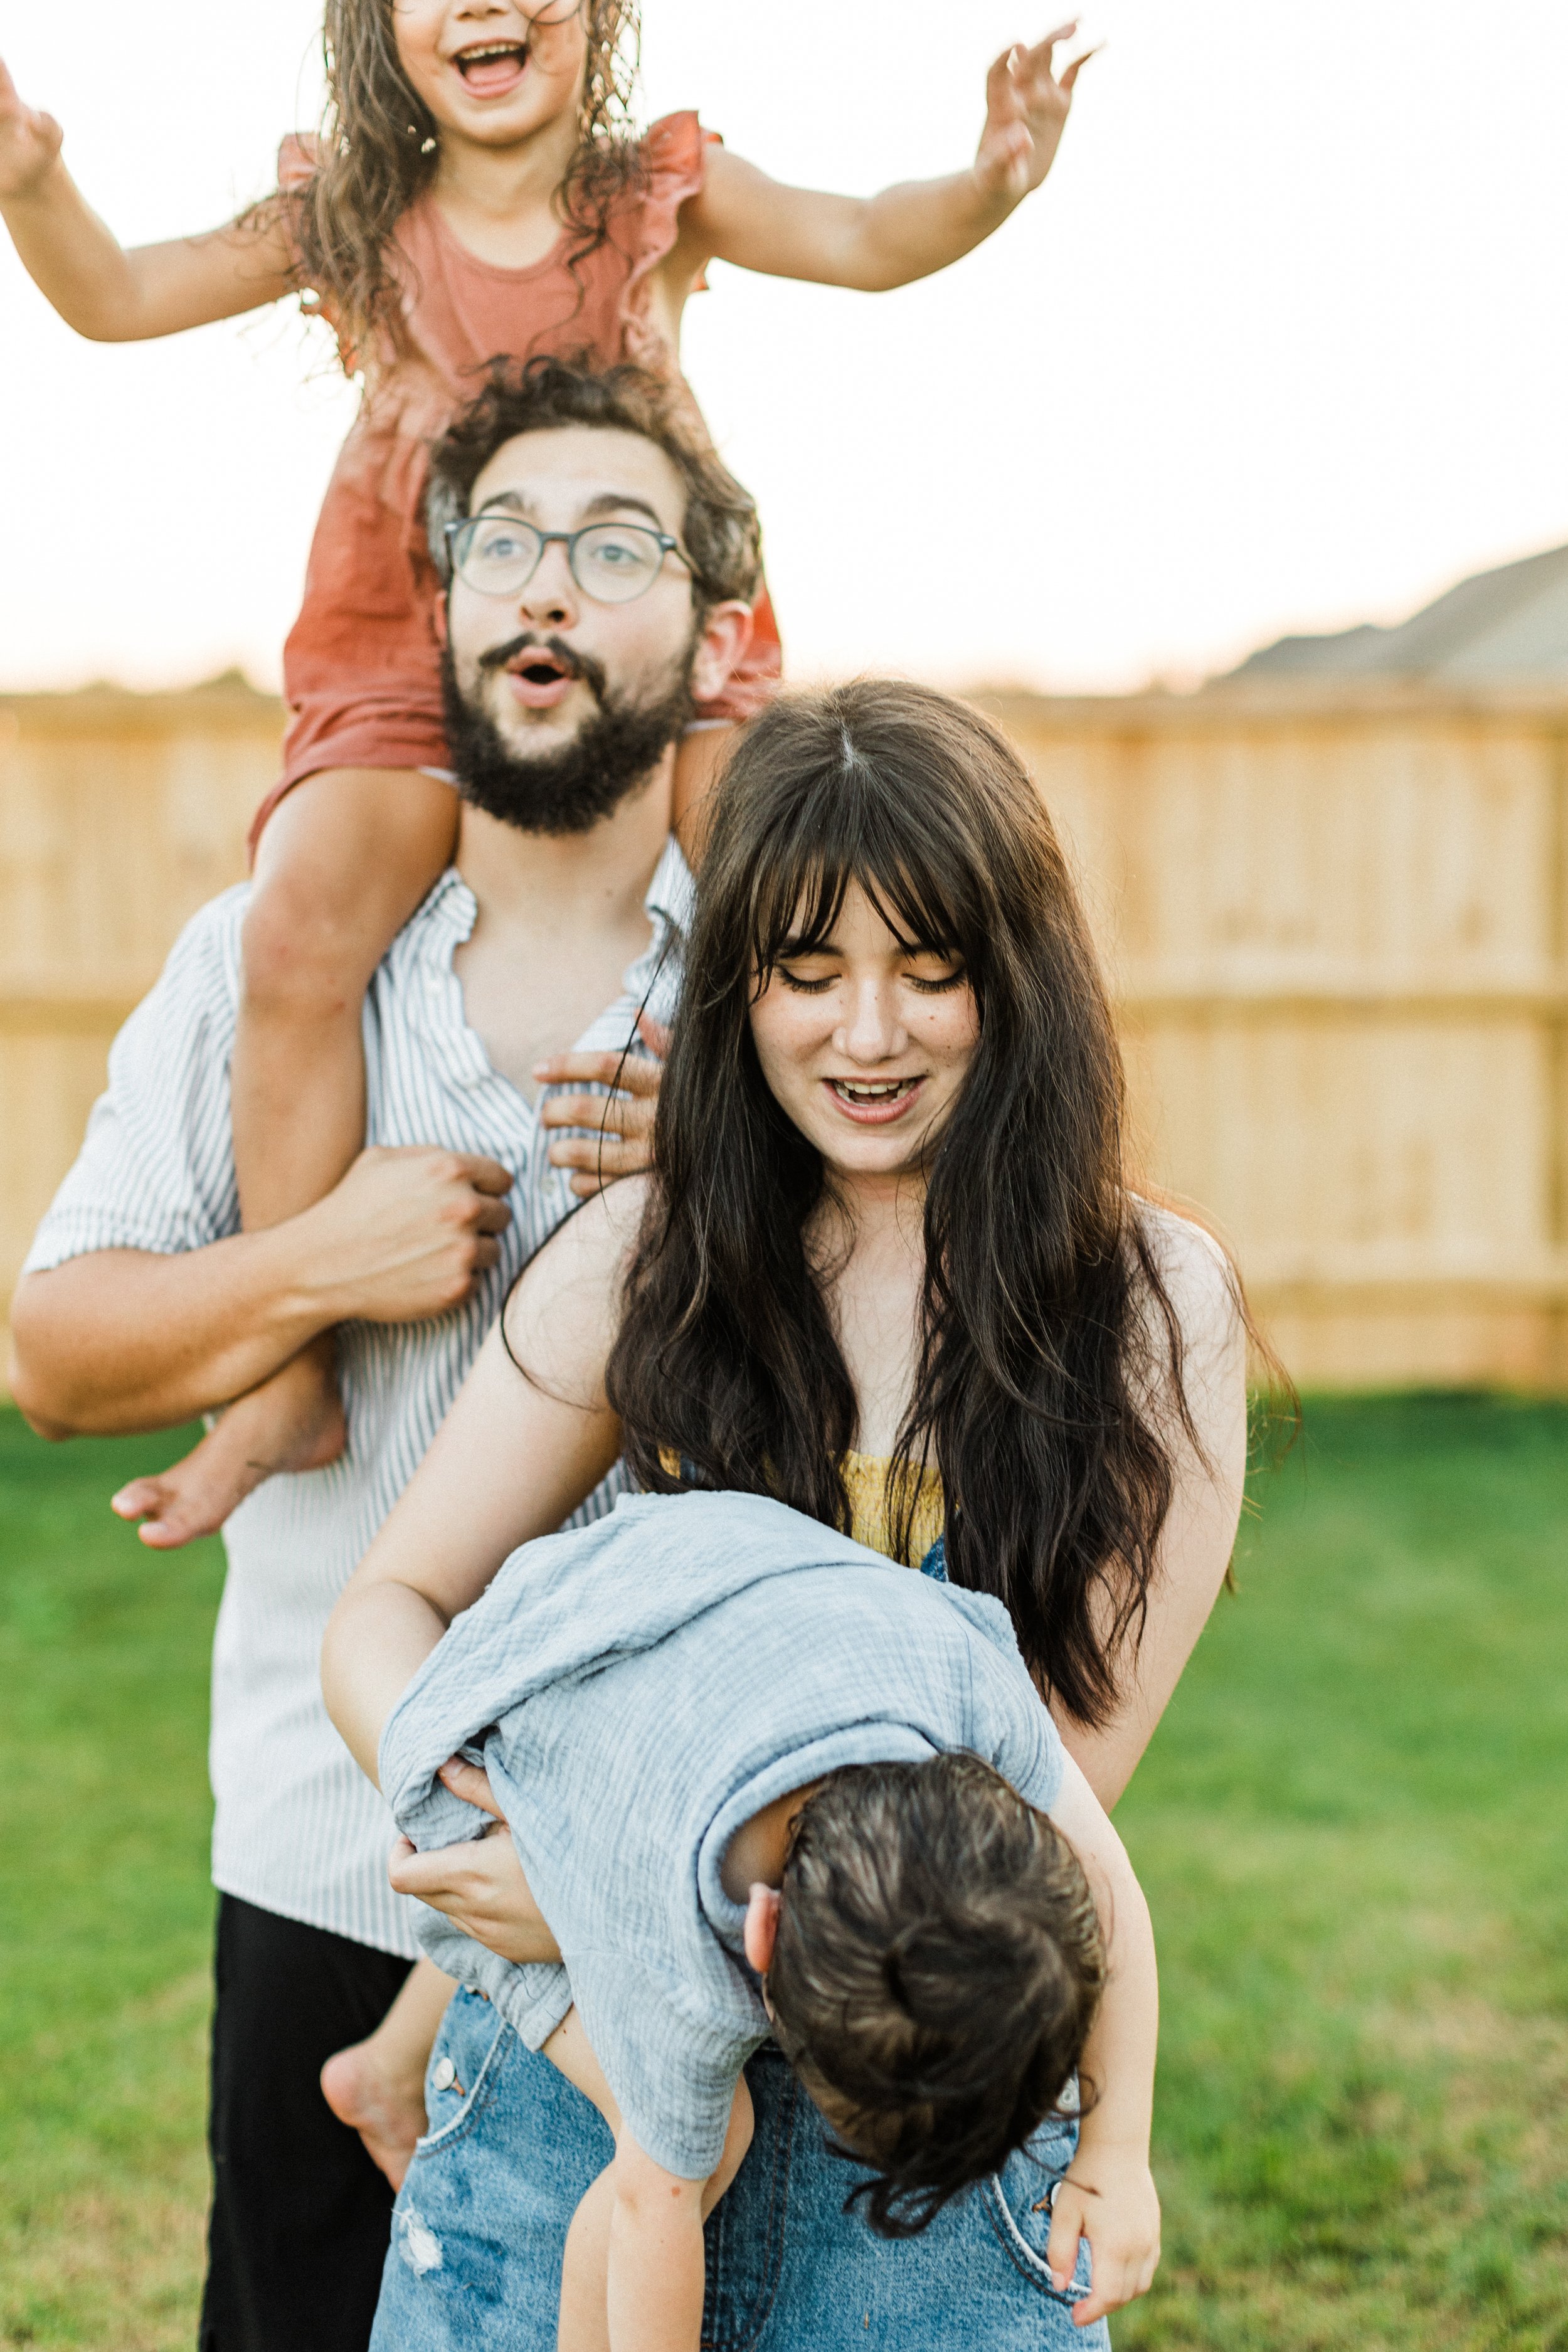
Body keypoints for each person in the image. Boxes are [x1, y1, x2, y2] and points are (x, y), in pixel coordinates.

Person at [0, 6, 1093, 1544]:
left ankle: (792, 1253)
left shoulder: (655, 192)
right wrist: (35, 184)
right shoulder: (353, 210)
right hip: (405, 638)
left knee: (788, 882)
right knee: (300, 922)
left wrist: (985, 182)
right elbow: (114, 297)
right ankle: (291, 1362)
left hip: (653, 648)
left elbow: (858, 234)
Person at [311, 675, 1253, 2349]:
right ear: (738, 984)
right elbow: (390, 1606)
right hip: (578, 2122)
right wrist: (510, 1837)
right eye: (806, 973)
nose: (866, 1032)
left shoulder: (1150, 1306)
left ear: (1016, 973)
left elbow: (1056, 1788)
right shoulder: (642, 1256)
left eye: (928, 968)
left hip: (925, 2147)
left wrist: (635, 1868)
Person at [6, 356, 756, 2352]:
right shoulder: (269, 963)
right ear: (434, 610)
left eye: (615, 548)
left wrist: (728, 1175)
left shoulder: (788, 999)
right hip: (335, 1865)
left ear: (713, 623)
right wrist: (319, 1252)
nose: (545, 589)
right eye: (502, 542)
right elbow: (58, 1353)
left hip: (669, 1876)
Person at [325, 1487, 1162, 2348]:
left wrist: (1116, 2153)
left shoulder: (967, 1680)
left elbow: (1105, 1885)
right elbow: (657, 2206)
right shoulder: (669, 1927)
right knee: (702, 2141)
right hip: (484, 1774)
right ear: (756, 1937)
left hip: (674, 1576)